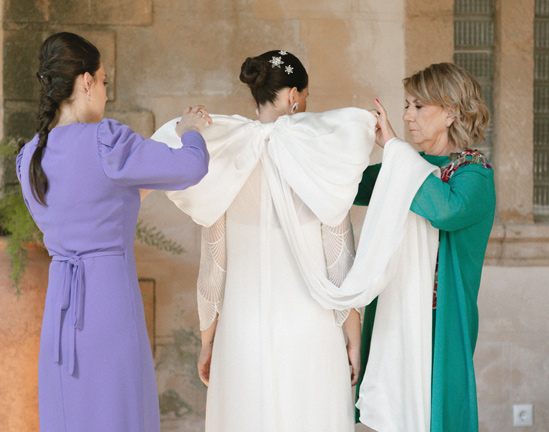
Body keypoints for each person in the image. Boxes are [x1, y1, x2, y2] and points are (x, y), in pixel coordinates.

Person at [154, 50, 373, 432]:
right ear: (293, 96)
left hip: (243, 331)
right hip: (312, 329)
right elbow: (339, 260)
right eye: (306, 97)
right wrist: (353, 339)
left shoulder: (227, 155)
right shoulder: (320, 154)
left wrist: (208, 340)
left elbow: (214, 265)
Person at [17, 32, 211, 432]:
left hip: (60, 311)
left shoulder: (28, 156)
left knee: (70, 417)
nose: (106, 93)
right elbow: (191, 166)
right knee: (119, 414)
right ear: (86, 81)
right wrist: (191, 131)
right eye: (105, 81)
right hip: (108, 304)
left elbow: (83, 209)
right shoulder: (105, 140)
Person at [354, 62, 495, 432]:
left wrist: (394, 149)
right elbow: (349, 186)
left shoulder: (474, 174)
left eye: (418, 106)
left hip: (439, 320)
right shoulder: (405, 164)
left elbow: (446, 210)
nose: (406, 116)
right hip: (392, 313)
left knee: (435, 417)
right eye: (406, 105)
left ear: (450, 112)